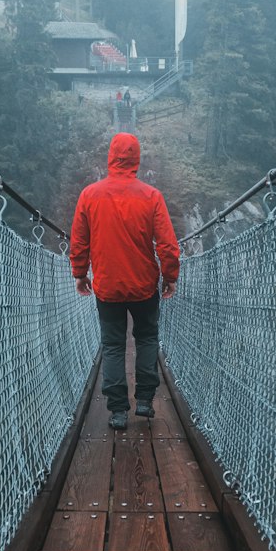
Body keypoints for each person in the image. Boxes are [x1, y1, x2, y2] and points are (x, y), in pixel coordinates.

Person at [70, 132, 180, 430]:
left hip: (107, 286)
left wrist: (80, 274)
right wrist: (170, 277)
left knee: (113, 345)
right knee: (146, 338)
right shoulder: (151, 196)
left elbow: (79, 242)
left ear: (110, 157)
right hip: (144, 286)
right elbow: (167, 246)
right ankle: (144, 401)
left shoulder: (89, 195)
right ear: (136, 159)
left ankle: (118, 412)